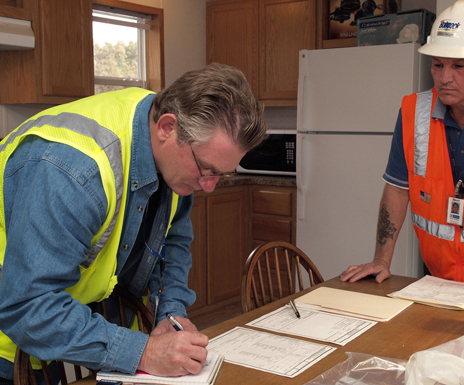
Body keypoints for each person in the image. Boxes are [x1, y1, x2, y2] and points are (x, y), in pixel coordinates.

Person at [0, 63, 267, 382]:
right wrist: (145, 352)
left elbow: (172, 243)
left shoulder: (173, 146)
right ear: (168, 127)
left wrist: (172, 312)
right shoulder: (73, 171)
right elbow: (29, 305)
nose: (209, 186)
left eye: (221, 175)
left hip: (71, 330)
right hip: (14, 340)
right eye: (206, 169)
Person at [340, 0, 464, 299]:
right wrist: (382, 259)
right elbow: (397, 188)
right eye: (437, 64)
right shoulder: (414, 112)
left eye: (459, 66)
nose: (445, 77)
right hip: (439, 288)